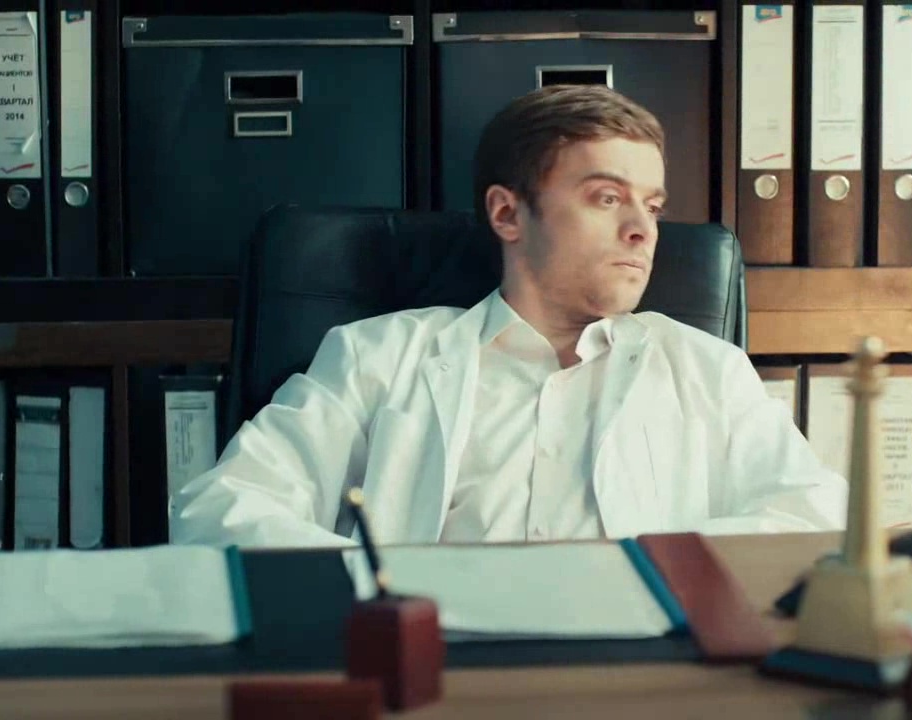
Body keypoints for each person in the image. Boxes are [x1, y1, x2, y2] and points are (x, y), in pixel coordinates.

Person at [170, 84, 848, 548]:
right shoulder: (377, 356)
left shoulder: (708, 370)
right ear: (507, 213)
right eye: (607, 197)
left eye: (652, 205)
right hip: (442, 668)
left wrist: (653, 570)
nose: (643, 229)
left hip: (637, 668)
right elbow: (221, 510)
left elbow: (817, 515)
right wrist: (389, 591)